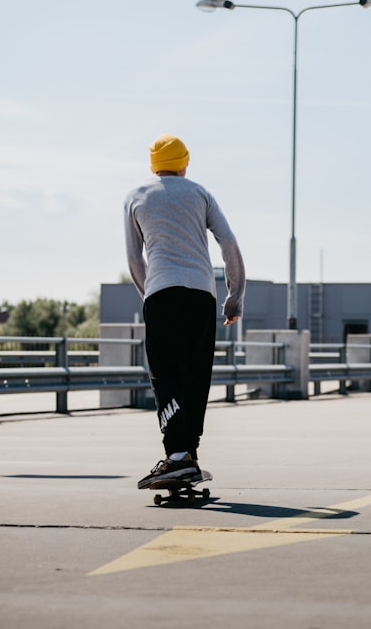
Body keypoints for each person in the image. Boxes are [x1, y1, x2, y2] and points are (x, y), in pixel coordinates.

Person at [124, 134, 246, 489]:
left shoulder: (136, 197)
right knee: (195, 375)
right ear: (185, 162)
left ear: (152, 165)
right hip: (202, 297)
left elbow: (134, 257)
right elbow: (228, 242)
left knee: (166, 374)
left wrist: (150, 295)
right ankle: (188, 453)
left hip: (162, 293)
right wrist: (234, 295)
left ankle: (176, 455)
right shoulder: (200, 193)